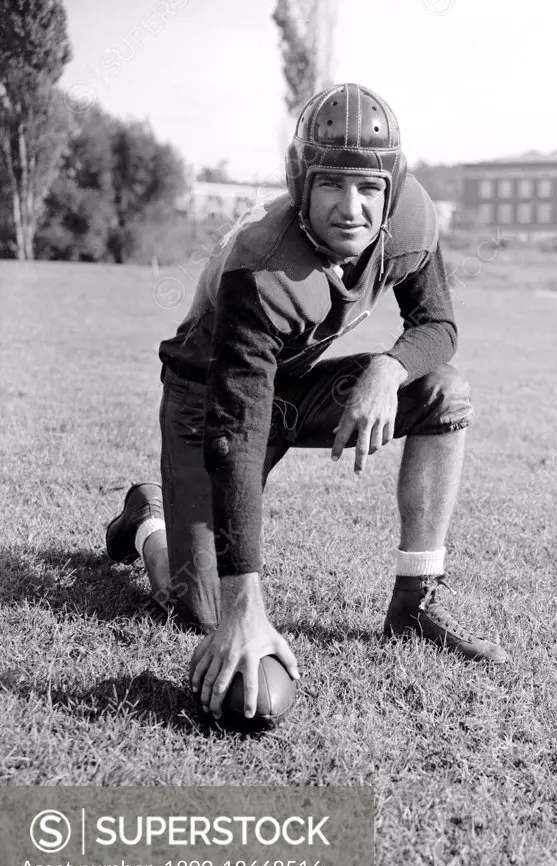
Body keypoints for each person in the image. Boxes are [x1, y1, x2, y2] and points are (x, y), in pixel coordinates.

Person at [105, 82, 508, 722]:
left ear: (393, 187)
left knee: (445, 392)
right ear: (300, 183)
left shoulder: (411, 218)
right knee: (202, 608)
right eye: (331, 186)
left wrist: (389, 366)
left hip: (294, 384)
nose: (352, 207)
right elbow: (236, 432)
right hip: (208, 399)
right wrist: (246, 612)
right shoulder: (260, 262)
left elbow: (438, 326)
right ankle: (147, 518)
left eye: (369, 188)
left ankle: (416, 603)